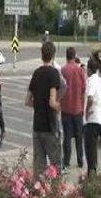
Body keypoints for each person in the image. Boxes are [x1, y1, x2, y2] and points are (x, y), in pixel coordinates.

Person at [25, 41, 61, 176]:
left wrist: (38, 104)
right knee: (55, 164)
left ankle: (38, 192)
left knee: (39, 166)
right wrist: (60, 106)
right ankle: (56, 192)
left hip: (37, 125)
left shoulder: (36, 73)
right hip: (50, 125)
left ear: (42, 55)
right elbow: (52, 102)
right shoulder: (53, 73)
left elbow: (27, 101)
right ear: (53, 55)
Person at [61, 47, 86, 169]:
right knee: (79, 137)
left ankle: (66, 161)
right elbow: (84, 89)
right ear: (74, 56)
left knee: (67, 137)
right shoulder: (80, 70)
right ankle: (80, 160)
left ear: (66, 56)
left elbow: (60, 88)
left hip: (65, 109)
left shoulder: (63, 70)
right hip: (78, 109)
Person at [84, 57, 101, 177]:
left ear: (89, 69)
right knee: (94, 146)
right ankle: (93, 169)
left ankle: (91, 172)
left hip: (91, 119)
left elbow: (90, 98)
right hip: (99, 117)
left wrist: (87, 111)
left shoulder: (91, 81)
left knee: (89, 147)